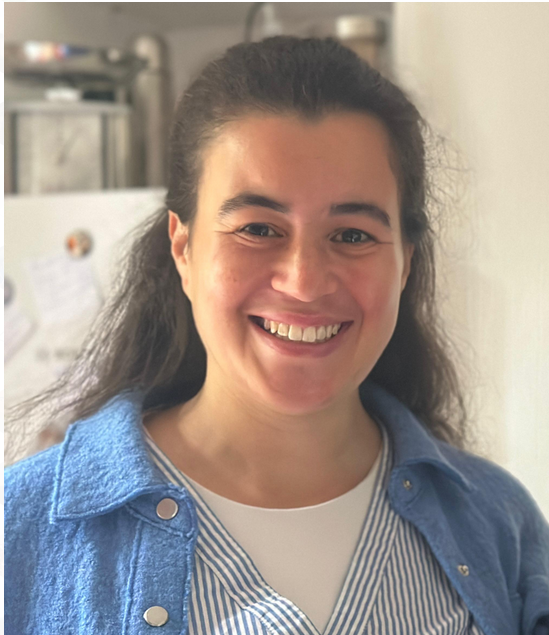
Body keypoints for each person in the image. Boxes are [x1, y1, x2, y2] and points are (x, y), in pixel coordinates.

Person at [4, 36, 549, 635]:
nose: (304, 283)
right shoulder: (18, 533)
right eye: (258, 229)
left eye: (353, 235)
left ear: (406, 264)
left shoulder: (501, 525)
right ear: (183, 248)